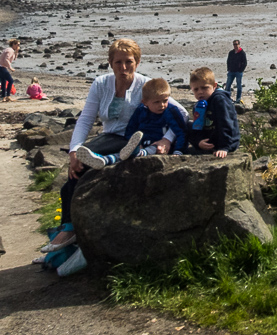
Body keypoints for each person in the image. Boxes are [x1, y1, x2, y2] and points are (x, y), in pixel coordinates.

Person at [46, 39, 182, 259]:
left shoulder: (147, 85)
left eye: (129, 62)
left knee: (81, 170)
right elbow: (85, 119)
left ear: (137, 62)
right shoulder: (101, 84)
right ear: (110, 63)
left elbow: (181, 113)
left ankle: (70, 229)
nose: (124, 67)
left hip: (139, 138)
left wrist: (166, 140)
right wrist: (74, 150)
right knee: (76, 167)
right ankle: (72, 232)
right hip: (110, 136)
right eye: (118, 62)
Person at [77, 78, 189, 167]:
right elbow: (131, 128)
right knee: (123, 155)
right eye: (157, 102)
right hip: (142, 143)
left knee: (147, 150)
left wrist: (178, 152)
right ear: (145, 102)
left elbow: (181, 132)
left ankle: (130, 154)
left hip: (159, 146)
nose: (162, 105)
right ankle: (103, 159)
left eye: (165, 101)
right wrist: (134, 141)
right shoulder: (141, 111)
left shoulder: (170, 112)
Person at [185, 67, 240, 158]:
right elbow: (197, 127)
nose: (200, 92)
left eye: (204, 88)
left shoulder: (219, 100)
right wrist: (198, 141)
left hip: (226, 142)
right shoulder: (198, 105)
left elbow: (226, 124)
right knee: (186, 124)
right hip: (210, 140)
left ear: (214, 86)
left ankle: (221, 146)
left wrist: (224, 147)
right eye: (196, 89)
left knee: (222, 123)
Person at [225, 39, 247, 104]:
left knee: (239, 86)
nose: (235, 46)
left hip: (238, 72)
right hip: (231, 71)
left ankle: (238, 99)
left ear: (239, 44)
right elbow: (228, 61)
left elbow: (245, 63)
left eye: (236, 44)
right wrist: (228, 69)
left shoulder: (242, 53)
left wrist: (241, 70)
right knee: (228, 85)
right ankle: (228, 98)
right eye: (234, 44)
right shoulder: (231, 53)